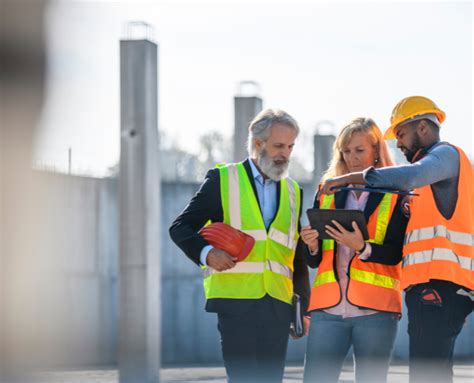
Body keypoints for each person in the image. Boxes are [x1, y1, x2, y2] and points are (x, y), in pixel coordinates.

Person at [320, 96, 473, 383]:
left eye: (401, 133)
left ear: (424, 128)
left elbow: (412, 175)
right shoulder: (434, 175)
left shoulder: (446, 155)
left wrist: (347, 179)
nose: (398, 143)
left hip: (439, 288)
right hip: (435, 291)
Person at [169, 108, 310, 383]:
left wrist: (301, 308)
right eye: (279, 145)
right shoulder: (223, 179)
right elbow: (180, 227)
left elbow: (296, 256)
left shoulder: (294, 191)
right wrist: (207, 254)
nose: (286, 153)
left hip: (278, 306)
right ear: (258, 144)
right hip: (236, 304)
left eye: (291, 146)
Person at [301, 117, 408, 383]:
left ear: (376, 151)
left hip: (377, 311)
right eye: (346, 151)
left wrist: (362, 247)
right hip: (328, 310)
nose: (352, 158)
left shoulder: (397, 194)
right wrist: (311, 245)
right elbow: (314, 261)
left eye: (359, 150)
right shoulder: (327, 192)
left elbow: (398, 252)